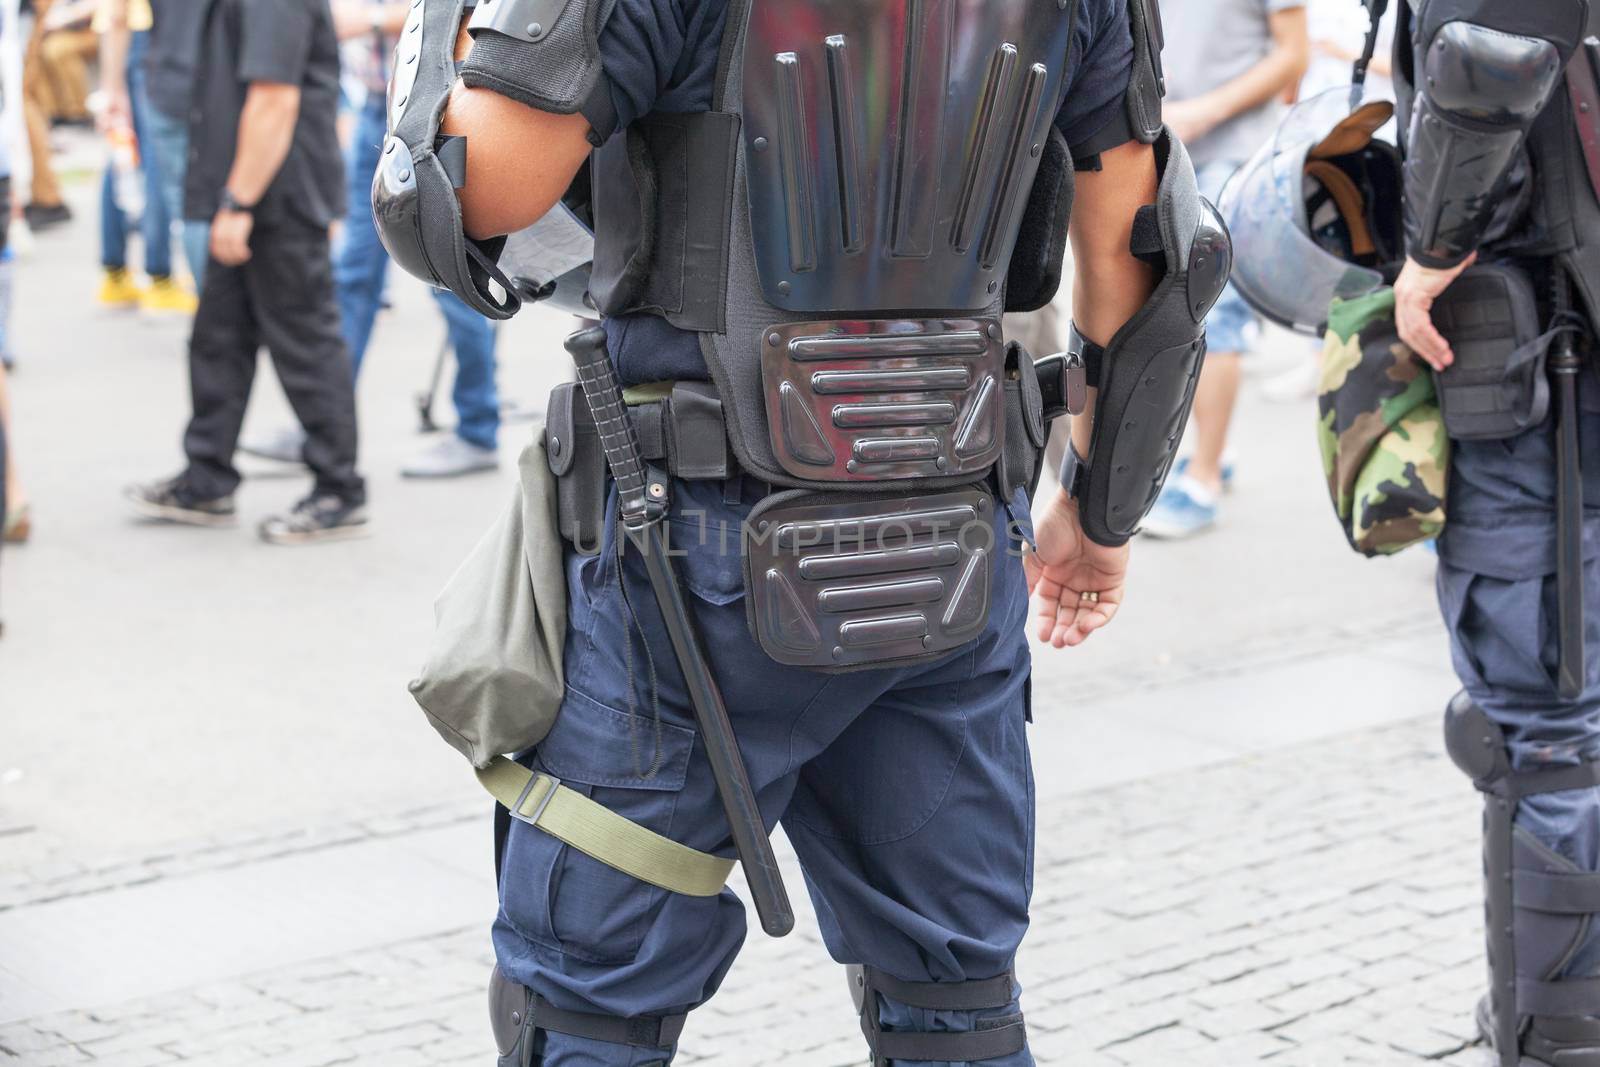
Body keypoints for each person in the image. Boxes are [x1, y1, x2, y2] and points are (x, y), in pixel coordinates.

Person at [380, 0, 1227, 1062]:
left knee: (590, 1003)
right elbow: (1146, 256)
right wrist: (1101, 514)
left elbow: (469, 191)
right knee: (952, 992)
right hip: (947, 546)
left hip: (695, 571)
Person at [1386, 2, 1600, 1061]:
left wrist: (1430, 246)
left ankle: (1558, 1024)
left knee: (1543, 718)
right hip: (1553, 336)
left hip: (1545, 354)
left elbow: (1492, 52)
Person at [125, 0, 367, 545]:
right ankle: (207, 477)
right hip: (244, 189)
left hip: (275, 195)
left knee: (304, 344)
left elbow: (274, 100)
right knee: (218, 338)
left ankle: (340, 489)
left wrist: (238, 202)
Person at [240, 0, 502, 479]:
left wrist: (369, 21)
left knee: (449, 279)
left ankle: (477, 429)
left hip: (440, 111)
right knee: (353, 276)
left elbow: (460, 10)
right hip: (377, 109)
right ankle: (322, 425)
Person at [1139, 0, 1309, 537]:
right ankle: (1211, 450)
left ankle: (1203, 480)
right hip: (1158, 147)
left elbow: (1293, 56)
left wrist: (1208, 109)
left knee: (1215, 318)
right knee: (1162, 312)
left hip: (1230, 154)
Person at [98, 0, 207, 300]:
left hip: (136, 38)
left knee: (125, 154)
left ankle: (115, 270)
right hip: (154, 37)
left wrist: (110, 85)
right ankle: (159, 275)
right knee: (158, 164)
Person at [19, 0, 70, 229]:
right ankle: (45, 192)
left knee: (21, 99)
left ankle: (47, 196)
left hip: (23, 12)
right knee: (26, 96)